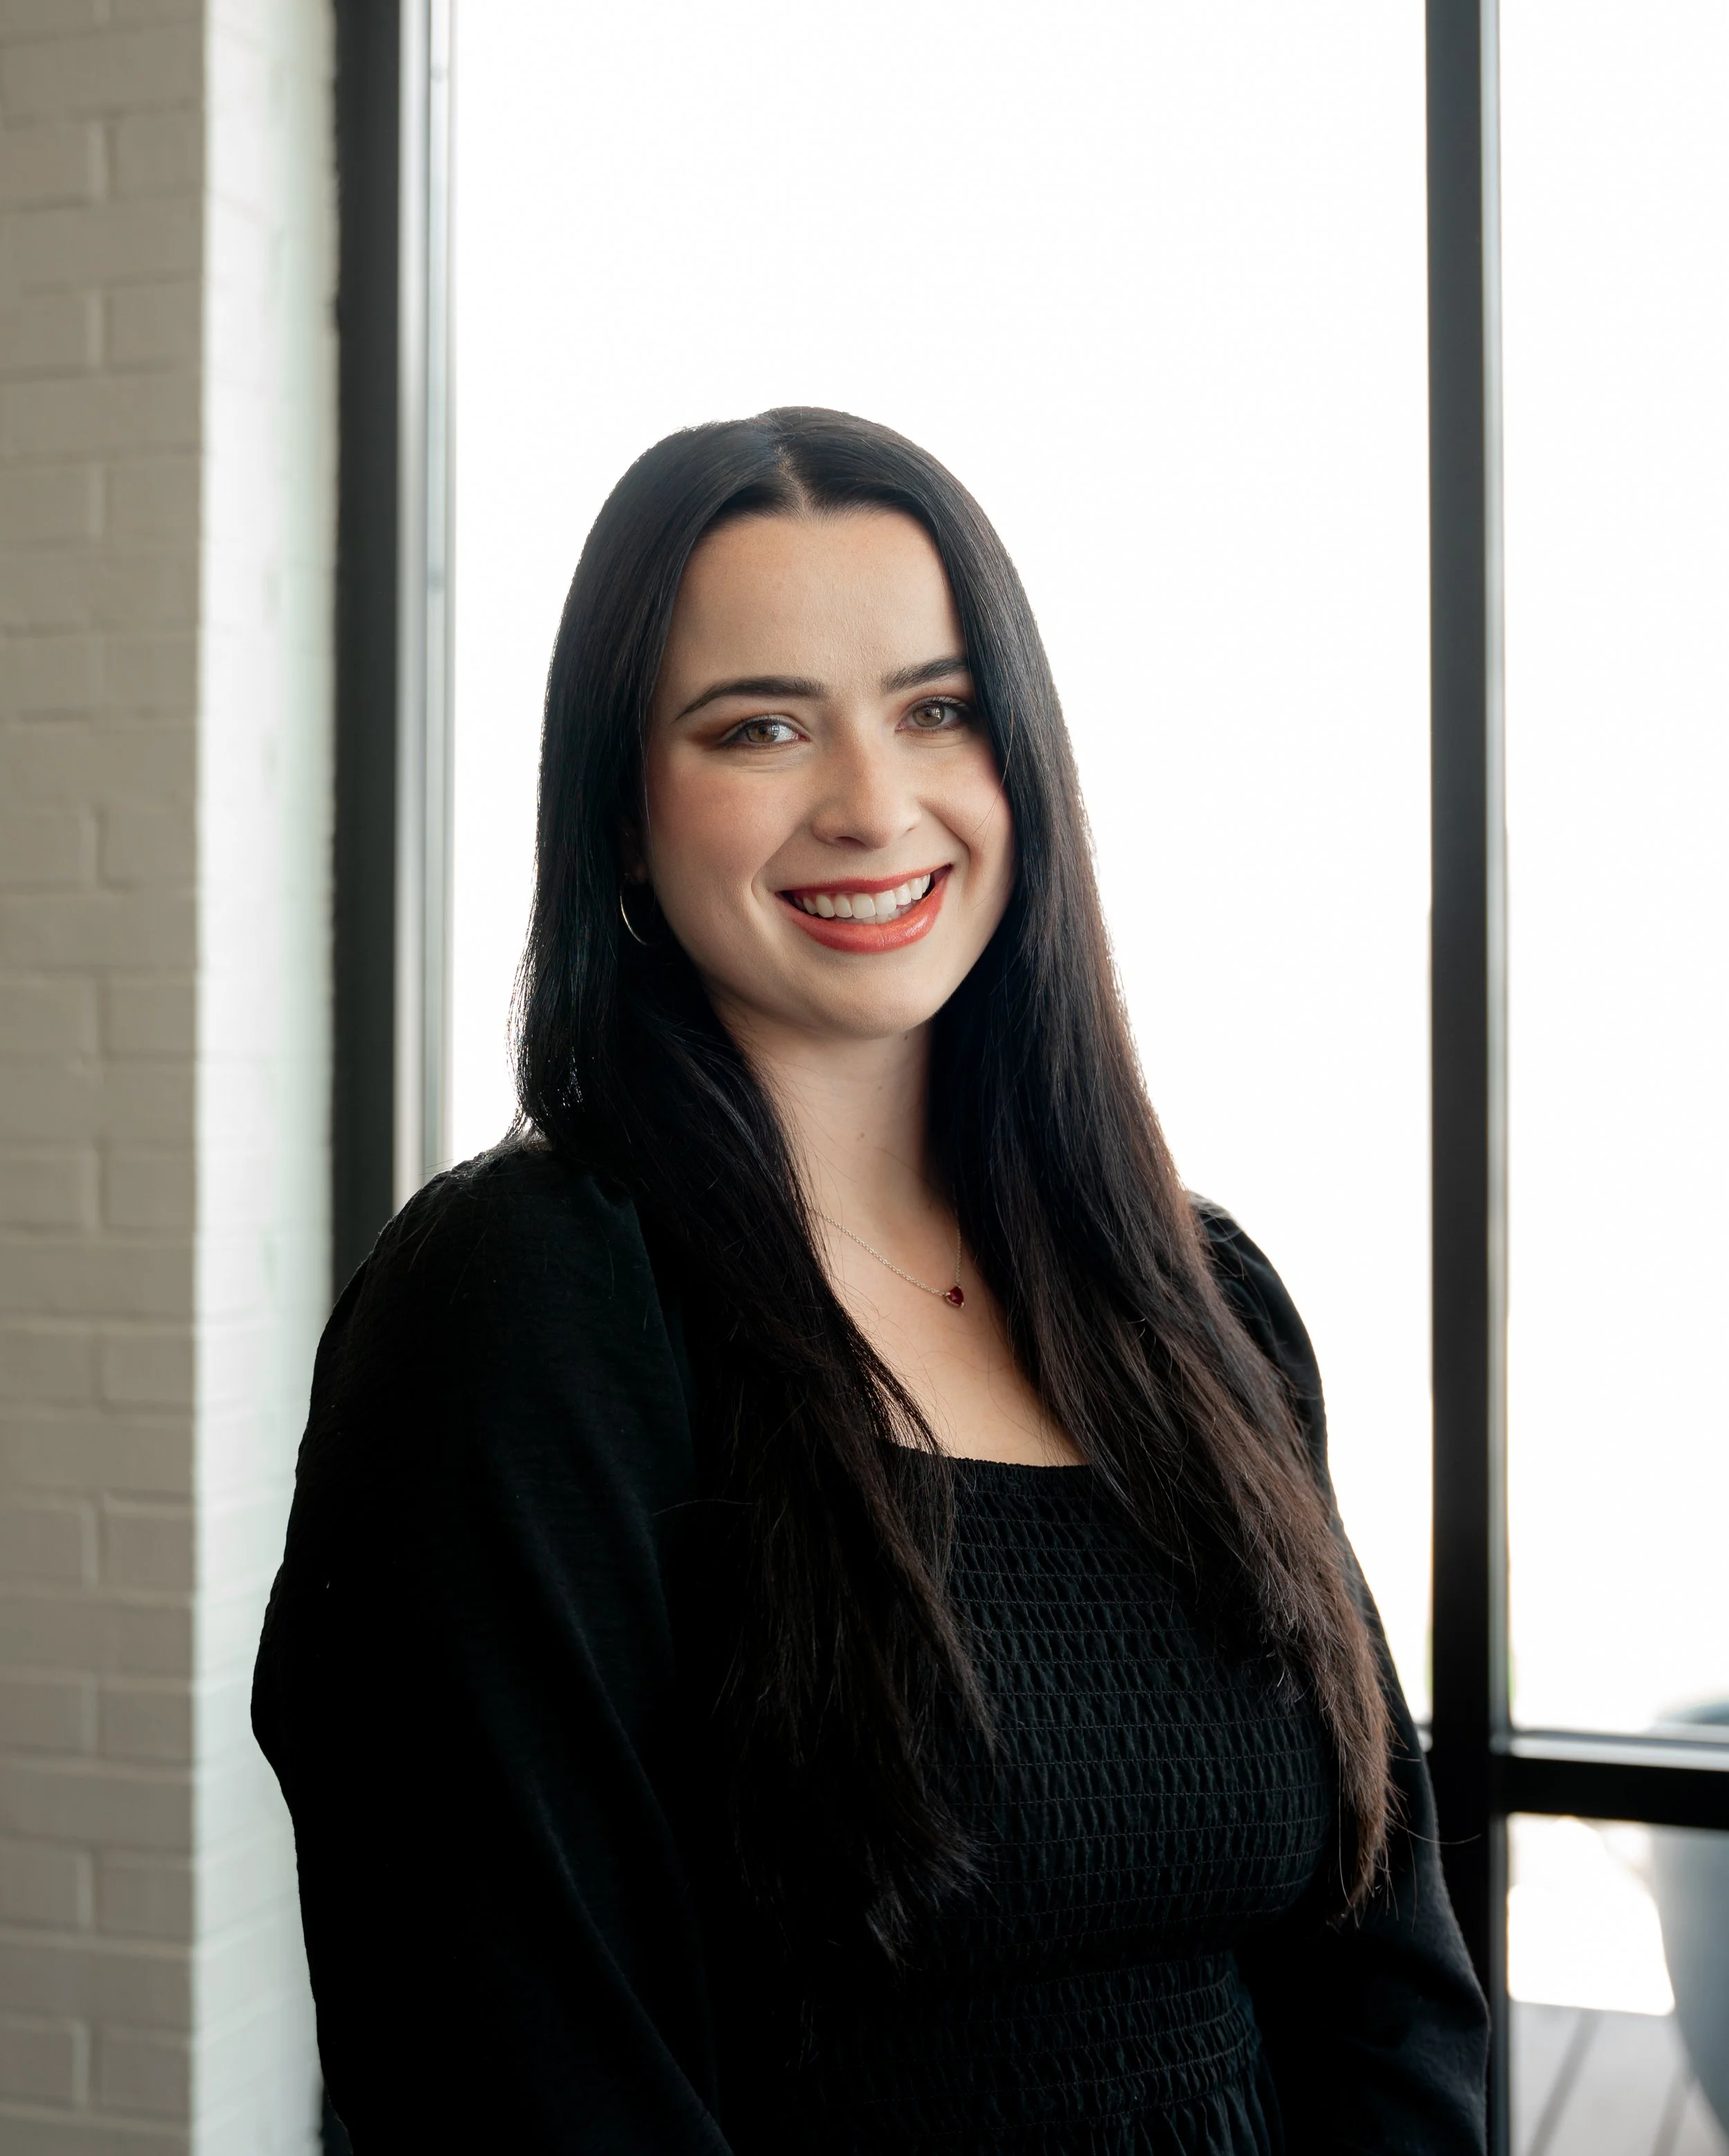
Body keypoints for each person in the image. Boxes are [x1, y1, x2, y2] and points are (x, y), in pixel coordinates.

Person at [254, 407, 1489, 2153]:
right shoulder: (522, 1309)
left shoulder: (1197, 1296)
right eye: (758, 725)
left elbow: (1386, 1973)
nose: (868, 803)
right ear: (618, 812)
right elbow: (511, 2068)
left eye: (936, 709)